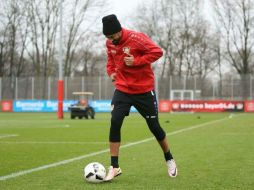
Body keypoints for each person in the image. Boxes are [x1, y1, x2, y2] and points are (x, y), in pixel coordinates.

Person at [102, 14, 177, 181]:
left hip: (144, 90)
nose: (110, 40)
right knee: (115, 121)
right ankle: (114, 167)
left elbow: (157, 52)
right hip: (122, 88)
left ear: (119, 30)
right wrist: (112, 72)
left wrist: (136, 61)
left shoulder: (137, 38)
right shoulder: (109, 42)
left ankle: (169, 158)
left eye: (112, 36)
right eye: (107, 37)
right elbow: (110, 61)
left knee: (154, 127)